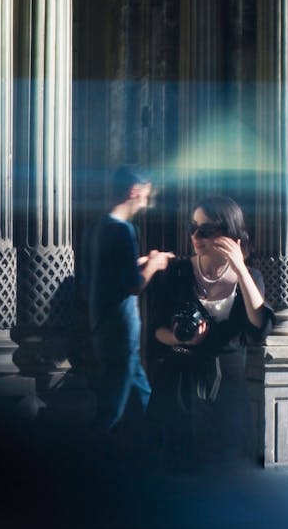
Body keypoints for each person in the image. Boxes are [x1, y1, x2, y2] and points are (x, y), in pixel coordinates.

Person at [146, 194, 274, 470]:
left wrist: (240, 269)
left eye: (206, 229)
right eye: (193, 227)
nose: (196, 235)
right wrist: (183, 339)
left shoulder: (251, 279)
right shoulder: (177, 272)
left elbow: (259, 327)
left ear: (229, 234)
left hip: (228, 392)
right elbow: (155, 331)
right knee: (177, 477)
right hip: (178, 386)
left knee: (228, 476)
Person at [83, 165, 173, 450]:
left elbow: (105, 274)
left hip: (102, 328)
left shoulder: (97, 228)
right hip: (121, 333)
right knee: (110, 412)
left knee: (142, 395)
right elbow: (133, 286)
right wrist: (156, 265)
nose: (145, 203)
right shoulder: (124, 231)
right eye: (145, 196)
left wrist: (142, 261)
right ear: (134, 192)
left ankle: (160, 452)